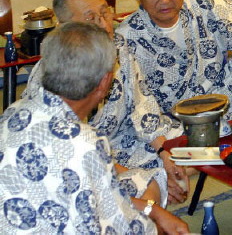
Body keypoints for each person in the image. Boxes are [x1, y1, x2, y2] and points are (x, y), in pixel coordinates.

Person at [0, 22, 188, 234]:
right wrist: (157, 225)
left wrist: (152, 210)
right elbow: (116, 225)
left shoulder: (14, 111)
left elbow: (108, 201)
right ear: (105, 82)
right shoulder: (85, 143)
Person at [21, 0, 188, 204]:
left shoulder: (119, 46)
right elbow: (71, 150)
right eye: (91, 18)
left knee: (186, 152)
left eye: (105, 12)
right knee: (147, 189)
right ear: (65, 27)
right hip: (73, 161)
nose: (104, 24)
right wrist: (147, 180)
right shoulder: (52, 73)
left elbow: (143, 108)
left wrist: (164, 154)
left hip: (119, 143)